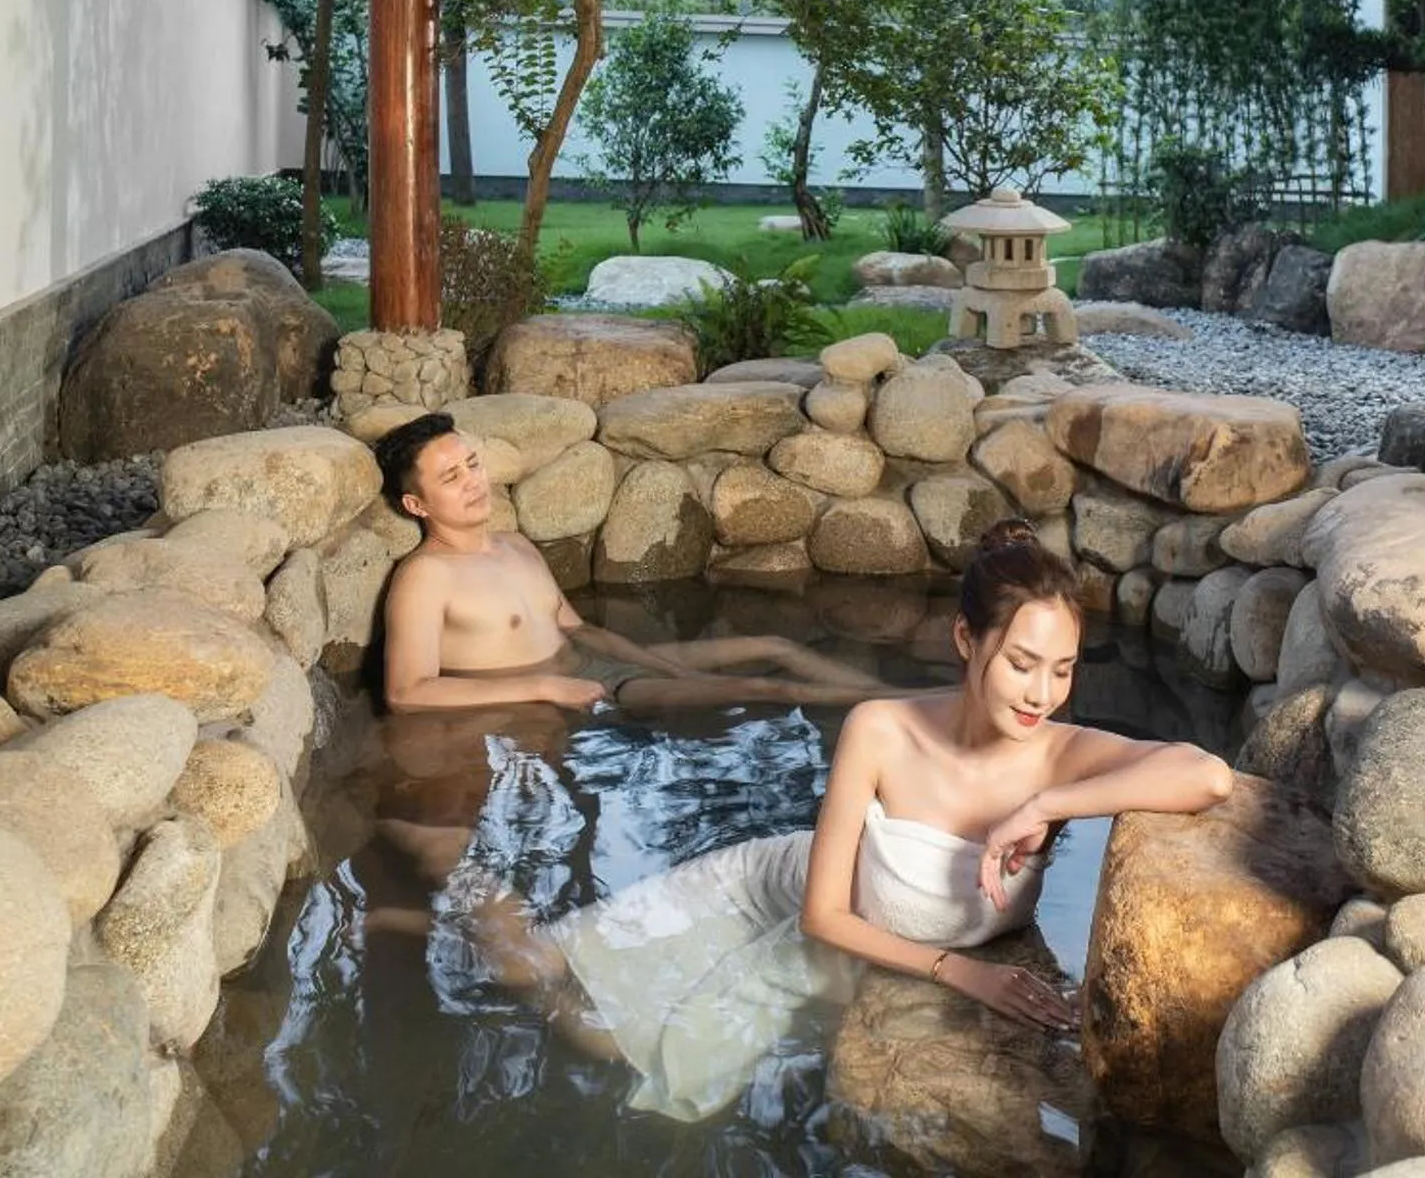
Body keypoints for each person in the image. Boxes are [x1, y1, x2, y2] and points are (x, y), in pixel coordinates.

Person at [464, 519, 1235, 1121]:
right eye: (1021, 663)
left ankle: (461, 890)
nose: (1042, 694)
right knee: (544, 970)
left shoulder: (1059, 756)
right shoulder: (881, 728)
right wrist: (961, 972)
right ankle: (451, 880)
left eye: (1062, 670)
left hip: (842, 934)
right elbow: (823, 914)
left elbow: (1208, 773)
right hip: (776, 886)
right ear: (966, 641)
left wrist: (1047, 803)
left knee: (635, 1046)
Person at [374, 412, 892, 714]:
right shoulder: (426, 577)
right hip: (590, 692)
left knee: (773, 645)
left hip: (606, 667)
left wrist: (659, 661)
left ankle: (891, 695)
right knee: (768, 687)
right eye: (451, 478)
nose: (473, 483)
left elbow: (580, 630)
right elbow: (406, 691)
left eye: (472, 465)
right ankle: (916, 708)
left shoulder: (516, 547)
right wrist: (545, 687)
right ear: (416, 505)